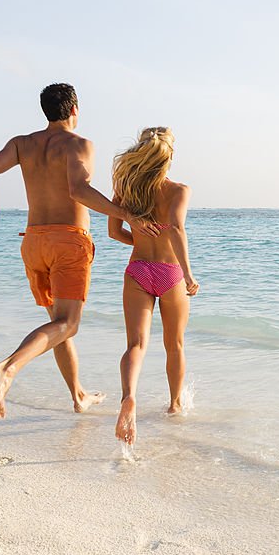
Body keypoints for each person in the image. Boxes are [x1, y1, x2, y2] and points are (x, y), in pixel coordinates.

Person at [0, 83, 160, 419]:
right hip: (67, 241)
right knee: (68, 324)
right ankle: (6, 369)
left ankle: (78, 395)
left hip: (33, 241)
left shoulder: (22, 144)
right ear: (75, 110)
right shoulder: (79, 144)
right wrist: (126, 215)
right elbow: (79, 190)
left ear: (45, 110)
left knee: (57, 326)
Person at [108, 127, 199, 445]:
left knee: (136, 345)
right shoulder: (179, 190)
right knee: (174, 346)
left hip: (137, 270)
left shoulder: (126, 187)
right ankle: (175, 406)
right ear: (170, 155)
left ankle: (128, 397)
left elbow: (113, 231)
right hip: (170, 273)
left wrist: (140, 240)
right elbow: (176, 228)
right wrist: (187, 274)